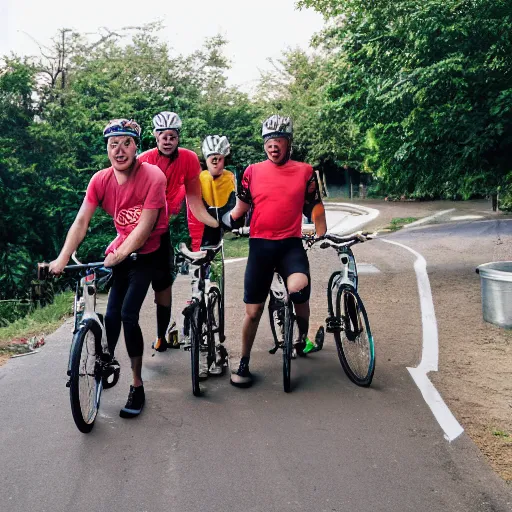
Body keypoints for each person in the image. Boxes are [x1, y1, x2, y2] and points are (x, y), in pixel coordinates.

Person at [50, 119, 167, 418]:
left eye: (126, 143)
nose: (119, 150)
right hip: (122, 251)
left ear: (136, 147)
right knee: (112, 313)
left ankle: (137, 385)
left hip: (148, 252)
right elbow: (81, 222)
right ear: (107, 149)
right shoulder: (100, 180)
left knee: (129, 314)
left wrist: (122, 253)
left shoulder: (153, 175)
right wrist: (63, 258)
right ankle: (107, 359)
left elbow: (144, 227)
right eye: (113, 144)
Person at [223, 114, 327, 388]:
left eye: (278, 139)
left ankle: (301, 338)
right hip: (260, 247)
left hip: (290, 245)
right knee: (253, 311)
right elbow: (241, 208)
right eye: (268, 140)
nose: (273, 145)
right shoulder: (252, 172)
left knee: (299, 290)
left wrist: (320, 229)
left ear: (288, 142)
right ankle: (244, 362)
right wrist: (224, 221)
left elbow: (314, 205)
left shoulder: (304, 171)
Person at [138, 111, 220, 353]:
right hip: (141, 226)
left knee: (163, 286)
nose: (167, 140)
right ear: (154, 136)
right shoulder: (143, 160)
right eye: (162, 135)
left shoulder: (189, 158)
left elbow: (195, 202)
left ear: (178, 137)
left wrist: (216, 225)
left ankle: (161, 335)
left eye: (172, 136)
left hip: (165, 224)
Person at [184, 135, 236, 378]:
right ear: (205, 159)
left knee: (216, 291)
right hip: (197, 241)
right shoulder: (198, 179)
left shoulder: (230, 179)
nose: (216, 162)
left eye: (219, 158)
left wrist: (234, 223)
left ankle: (216, 346)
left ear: (225, 158)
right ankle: (195, 337)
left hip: (217, 242)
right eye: (211, 158)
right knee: (196, 293)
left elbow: (234, 208)